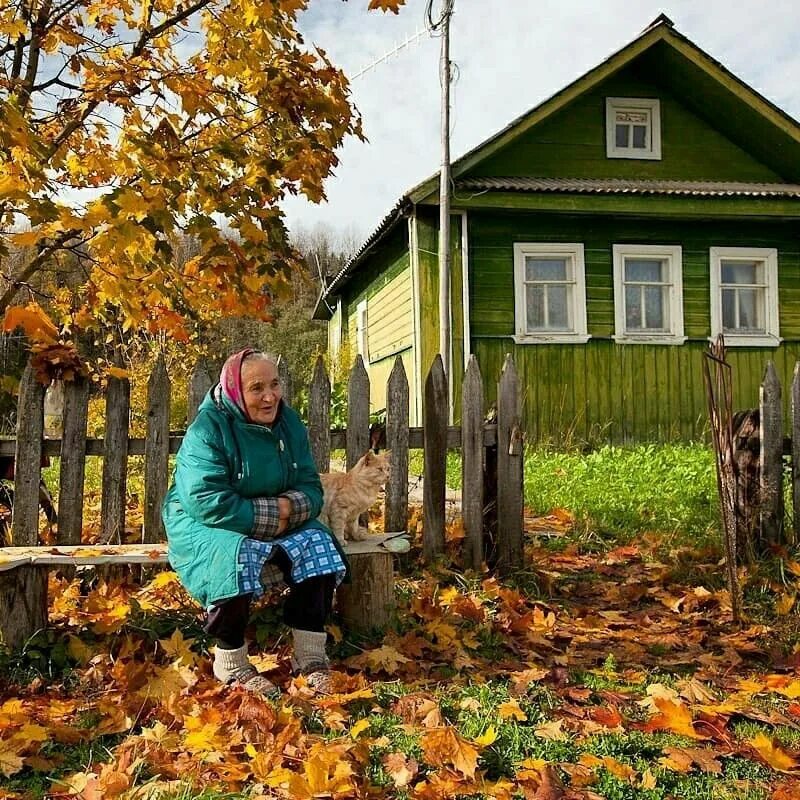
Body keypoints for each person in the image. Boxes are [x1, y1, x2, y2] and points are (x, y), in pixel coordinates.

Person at [162, 349, 347, 695]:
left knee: (320, 545)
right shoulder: (208, 429)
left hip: (277, 515)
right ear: (234, 391)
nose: (269, 396)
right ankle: (230, 662)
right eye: (256, 387)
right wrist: (273, 516)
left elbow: (310, 486)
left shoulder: (289, 424)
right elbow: (206, 500)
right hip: (206, 523)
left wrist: (288, 510)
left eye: (274, 384)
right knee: (234, 556)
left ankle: (309, 656)